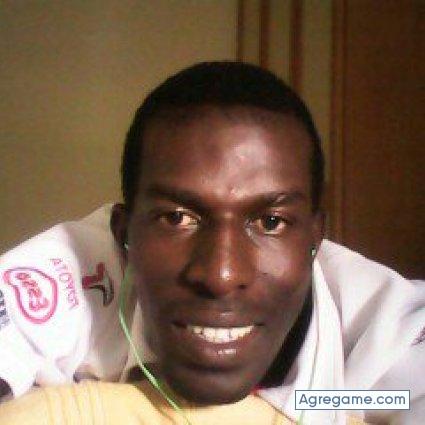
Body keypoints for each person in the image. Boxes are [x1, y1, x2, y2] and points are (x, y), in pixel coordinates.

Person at [0, 62, 423, 424]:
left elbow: (401, 397)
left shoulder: (379, 318)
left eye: (271, 222)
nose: (221, 275)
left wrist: (295, 407)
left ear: (315, 239)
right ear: (124, 234)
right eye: (177, 218)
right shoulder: (75, 276)